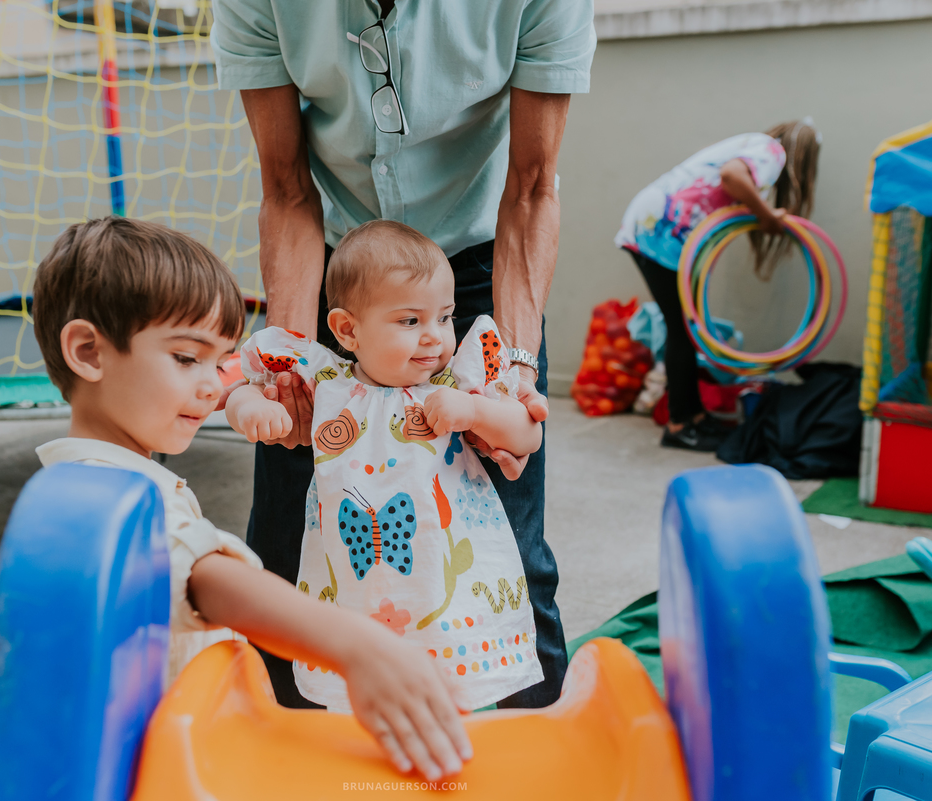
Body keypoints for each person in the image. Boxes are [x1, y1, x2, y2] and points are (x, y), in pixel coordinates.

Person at [211, 0, 595, 710]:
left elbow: (532, 186)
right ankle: (286, 755)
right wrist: (288, 366)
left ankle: (522, 744)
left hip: (476, 270)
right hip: (342, 268)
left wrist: (511, 374)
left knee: (509, 536)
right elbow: (286, 187)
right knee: (286, 537)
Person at [30, 217, 472, 781]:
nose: (214, 385)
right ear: (89, 352)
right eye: (187, 358)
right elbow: (204, 577)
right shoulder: (105, 491)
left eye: (219, 362)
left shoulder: (86, 475)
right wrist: (360, 648)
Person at [227, 221, 544, 712]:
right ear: (347, 330)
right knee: (354, 692)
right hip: (354, 579)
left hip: (446, 583)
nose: (435, 337)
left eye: (444, 317)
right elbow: (244, 387)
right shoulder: (326, 379)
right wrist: (253, 410)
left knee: (454, 692)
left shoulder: (456, 381)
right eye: (410, 322)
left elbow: (527, 432)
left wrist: (477, 412)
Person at [615, 121, 821, 451]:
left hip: (657, 224)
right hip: (660, 229)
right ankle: (681, 424)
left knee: (686, 328)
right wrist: (767, 214)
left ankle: (694, 416)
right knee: (682, 329)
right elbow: (731, 177)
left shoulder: (754, 145)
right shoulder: (772, 152)